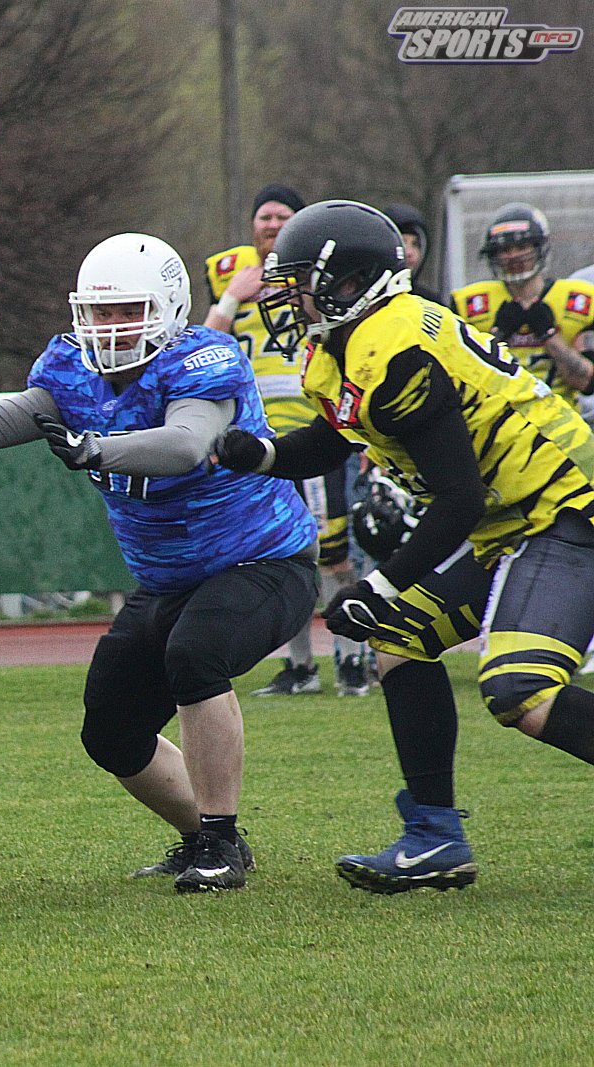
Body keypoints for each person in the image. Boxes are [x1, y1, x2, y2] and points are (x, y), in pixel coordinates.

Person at [0, 234, 318, 893]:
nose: (111, 326)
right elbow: (10, 416)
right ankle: (201, 837)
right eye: (100, 311)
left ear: (169, 308)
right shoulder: (71, 366)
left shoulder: (204, 358)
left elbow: (186, 443)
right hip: (168, 578)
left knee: (196, 654)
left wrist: (97, 447)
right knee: (111, 730)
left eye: (128, 311)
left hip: (263, 558)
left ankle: (219, 840)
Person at [214, 199, 594, 894]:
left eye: (301, 283)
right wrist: (263, 455)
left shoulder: (394, 346)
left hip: (566, 506)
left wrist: (380, 583)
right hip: (513, 520)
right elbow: (338, 434)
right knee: (398, 641)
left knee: (521, 690)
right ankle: (435, 837)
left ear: (350, 282)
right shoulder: (351, 344)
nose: (289, 299)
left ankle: (435, 834)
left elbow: (458, 498)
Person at [207, 185, 368, 698]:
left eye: (283, 217)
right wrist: (232, 297)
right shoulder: (230, 275)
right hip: (256, 442)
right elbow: (203, 350)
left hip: (315, 435)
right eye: (265, 216)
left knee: (335, 556)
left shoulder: (317, 278)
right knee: (281, 554)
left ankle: (352, 660)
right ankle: (300, 667)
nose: (273, 225)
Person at [451, 202, 594, 408]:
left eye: (522, 247)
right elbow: (459, 380)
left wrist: (550, 337)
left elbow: (586, 382)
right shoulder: (469, 303)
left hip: (560, 417)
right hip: (496, 417)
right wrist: (496, 337)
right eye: (505, 249)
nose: (514, 256)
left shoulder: (580, 299)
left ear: (538, 247)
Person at [383, 203, 443, 304]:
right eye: (402, 243)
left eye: (415, 244)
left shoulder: (431, 304)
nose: (409, 253)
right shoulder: (364, 302)